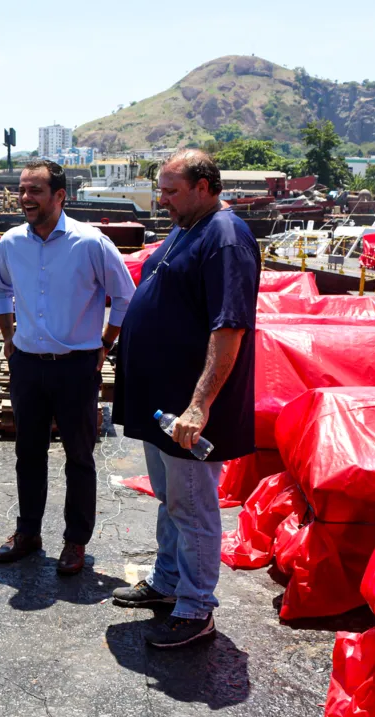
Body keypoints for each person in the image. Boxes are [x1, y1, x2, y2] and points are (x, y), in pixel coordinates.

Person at [111, 150, 259, 648]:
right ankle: (169, 583)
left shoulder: (226, 236)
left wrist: (200, 405)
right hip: (160, 404)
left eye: (171, 190)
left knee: (193, 505)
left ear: (204, 186)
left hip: (186, 410)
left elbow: (229, 325)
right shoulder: (187, 228)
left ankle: (196, 609)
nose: (163, 199)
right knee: (171, 500)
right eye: (162, 189)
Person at [0, 159, 136, 575]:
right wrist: (9, 339)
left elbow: (125, 295)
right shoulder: (10, 244)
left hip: (76, 367)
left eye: (35, 190)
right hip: (27, 366)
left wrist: (106, 344)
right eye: (22, 189)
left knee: (79, 456)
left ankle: (75, 542)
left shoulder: (91, 243)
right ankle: (28, 532)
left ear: (59, 196)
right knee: (28, 453)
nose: (25, 198)